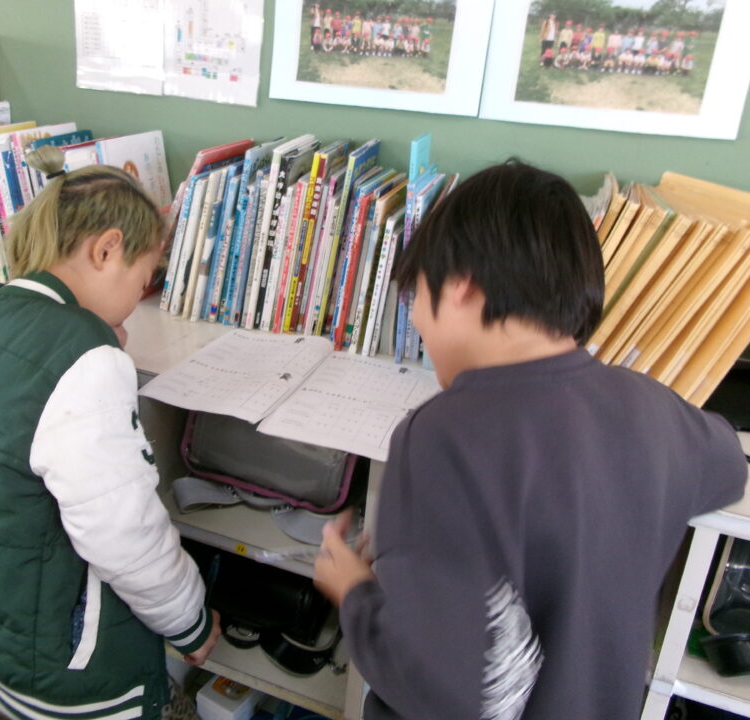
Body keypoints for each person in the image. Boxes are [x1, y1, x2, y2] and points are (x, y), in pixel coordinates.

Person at [313, 160, 746, 720]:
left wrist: (354, 594)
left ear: (462, 285)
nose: (415, 318)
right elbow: (730, 465)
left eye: (413, 295)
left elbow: (442, 687)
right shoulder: (654, 407)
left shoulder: (441, 437)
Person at [0, 148, 221, 720]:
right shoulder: (85, 361)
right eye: (144, 279)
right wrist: (189, 621)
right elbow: (123, 531)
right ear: (106, 250)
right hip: (72, 669)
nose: (139, 299)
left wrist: (90, 337)